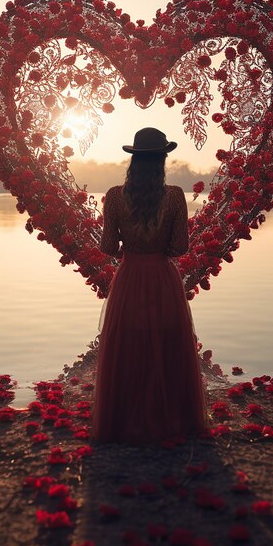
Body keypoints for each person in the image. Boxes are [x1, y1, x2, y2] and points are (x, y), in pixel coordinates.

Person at [91, 127, 208, 445]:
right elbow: (180, 247)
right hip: (161, 277)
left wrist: (129, 251)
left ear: (133, 161)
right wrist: (156, 250)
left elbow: (106, 246)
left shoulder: (115, 196)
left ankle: (124, 415)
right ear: (163, 160)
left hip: (129, 277)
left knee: (127, 345)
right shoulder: (174, 197)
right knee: (165, 343)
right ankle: (168, 415)